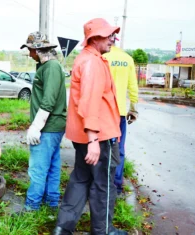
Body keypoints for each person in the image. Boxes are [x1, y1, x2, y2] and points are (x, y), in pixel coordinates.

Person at [53, 18, 127, 235]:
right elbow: (90, 101)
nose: (113, 39)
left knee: (80, 179)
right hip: (98, 136)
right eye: (108, 35)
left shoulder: (87, 59)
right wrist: (94, 139)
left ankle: (62, 228)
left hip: (85, 135)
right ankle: (103, 230)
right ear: (94, 39)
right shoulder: (93, 63)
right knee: (103, 184)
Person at [20, 32, 67, 211]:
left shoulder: (51, 67)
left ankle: (32, 208)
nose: (30, 54)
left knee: (38, 169)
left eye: (30, 50)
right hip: (53, 126)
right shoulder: (46, 66)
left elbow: (49, 99)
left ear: (38, 49)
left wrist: (36, 126)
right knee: (52, 166)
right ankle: (51, 203)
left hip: (48, 127)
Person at [103, 40, 139, 195]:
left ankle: (102, 184)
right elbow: (133, 86)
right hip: (120, 112)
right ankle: (116, 185)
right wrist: (133, 109)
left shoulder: (103, 57)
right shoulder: (127, 59)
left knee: (102, 148)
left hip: (104, 111)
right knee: (119, 148)